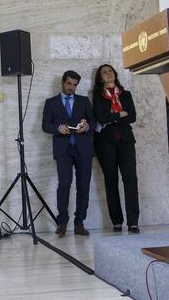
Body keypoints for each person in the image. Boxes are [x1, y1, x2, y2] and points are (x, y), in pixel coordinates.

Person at [42, 71, 95, 236]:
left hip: (83, 149)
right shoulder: (51, 102)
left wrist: (86, 127)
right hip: (63, 150)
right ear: (63, 83)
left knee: (83, 186)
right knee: (64, 185)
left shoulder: (84, 101)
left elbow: (93, 122)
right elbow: (45, 125)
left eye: (75, 85)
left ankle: (79, 223)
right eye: (69, 84)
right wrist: (58, 128)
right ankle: (62, 222)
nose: (71, 87)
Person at [92, 64, 140, 233]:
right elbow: (101, 117)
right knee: (111, 180)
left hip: (126, 140)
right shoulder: (97, 96)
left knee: (130, 179)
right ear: (100, 78)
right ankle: (117, 221)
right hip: (106, 142)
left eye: (110, 71)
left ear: (115, 74)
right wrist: (120, 114)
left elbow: (132, 116)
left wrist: (112, 119)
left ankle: (133, 221)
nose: (108, 73)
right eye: (104, 72)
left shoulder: (126, 95)